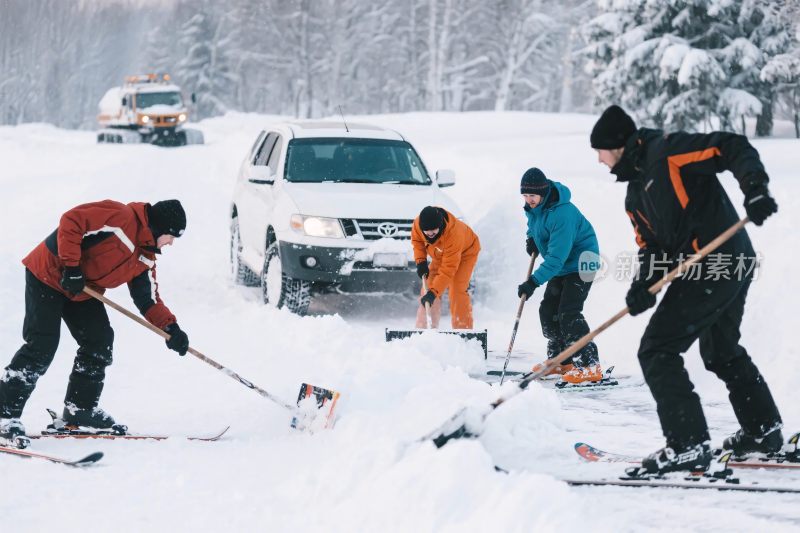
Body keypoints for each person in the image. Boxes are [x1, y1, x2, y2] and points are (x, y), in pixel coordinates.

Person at [591, 104, 782, 475]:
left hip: (717, 261)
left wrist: (755, 189)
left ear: (616, 145)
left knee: (657, 350)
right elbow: (651, 249)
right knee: (721, 351)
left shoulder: (667, 152)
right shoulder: (634, 196)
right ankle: (763, 432)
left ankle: (688, 444)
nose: (598, 160)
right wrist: (641, 287)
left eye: (599, 151)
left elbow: (730, 145)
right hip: (720, 266)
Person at [0, 199, 190, 445]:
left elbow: (147, 299)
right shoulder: (120, 217)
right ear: (159, 228)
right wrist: (71, 266)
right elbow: (72, 220)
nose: (171, 243)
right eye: (171, 236)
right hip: (49, 274)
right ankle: (5, 414)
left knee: (99, 340)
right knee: (42, 345)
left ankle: (80, 409)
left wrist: (171, 328)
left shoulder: (145, 256)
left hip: (82, 289)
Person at [516, 168, 602, 384]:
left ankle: (590, 364)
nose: (528, 201)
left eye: (532, 196)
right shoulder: (534, 207)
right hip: (563, 265)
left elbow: (556, 258)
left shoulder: (562, 214)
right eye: (525, 196)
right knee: (548, 311)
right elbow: (533, 224)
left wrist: (533, 282)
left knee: (568, 313)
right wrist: (531, 239)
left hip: (582, 263)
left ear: (543, 193)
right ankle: (562, 360)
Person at [412, 206, 480, 329]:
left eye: (433, 230)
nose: (430, 234)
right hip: (441, 252)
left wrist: (434, 292)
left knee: (457, 289)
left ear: (440, 225)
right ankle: (425, 328)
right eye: (426, 231)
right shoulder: (418, 224)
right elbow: (417, 242)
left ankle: (463, 330)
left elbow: (448, 269)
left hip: (466, 252)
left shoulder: (454, 234)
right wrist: (421, 261)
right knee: (427, 288)